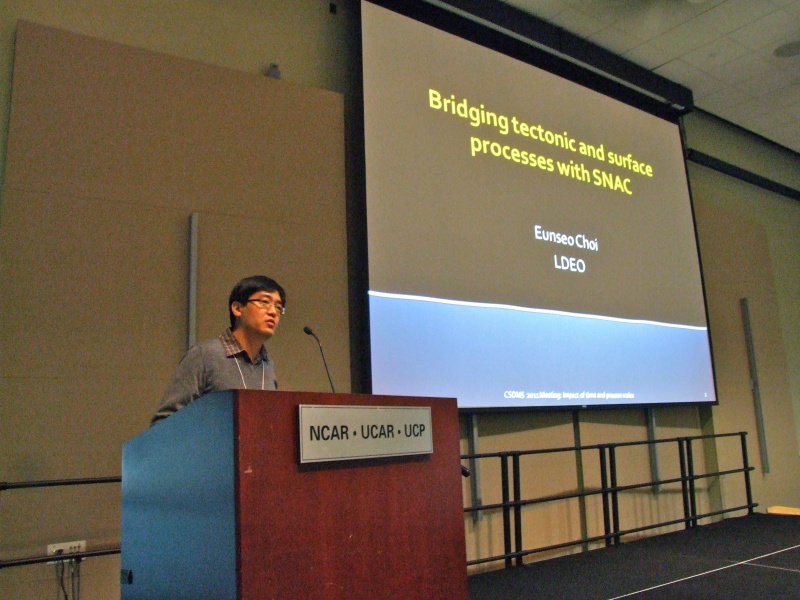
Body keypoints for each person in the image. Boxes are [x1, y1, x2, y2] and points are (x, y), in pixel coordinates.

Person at [150, 275, 286, 425]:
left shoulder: (268, 365)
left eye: (278, 307)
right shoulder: (205, 355)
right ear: (237, 308)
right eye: (264, 302)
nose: (273, 312)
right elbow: (165, 420)